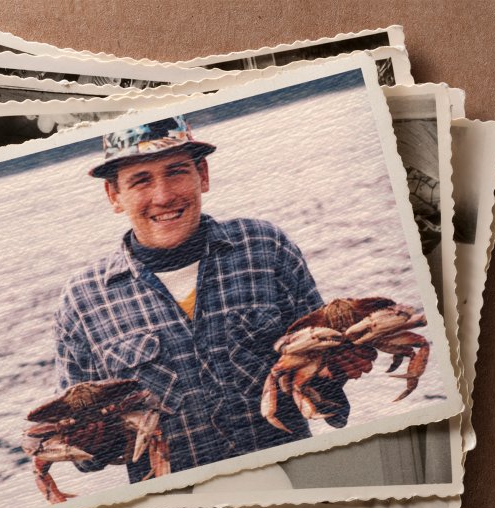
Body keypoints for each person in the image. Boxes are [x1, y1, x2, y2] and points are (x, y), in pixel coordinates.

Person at [54, 115, 350, 482]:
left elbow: (329, 368)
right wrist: (93, 440)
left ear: (203, 175)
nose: (163, 196)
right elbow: (85, 454)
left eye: (176, 171)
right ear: (114, 195)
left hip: (293, 481)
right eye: (141, 180)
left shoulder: (266, 247)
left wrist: (337, 370)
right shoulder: (83, 302)